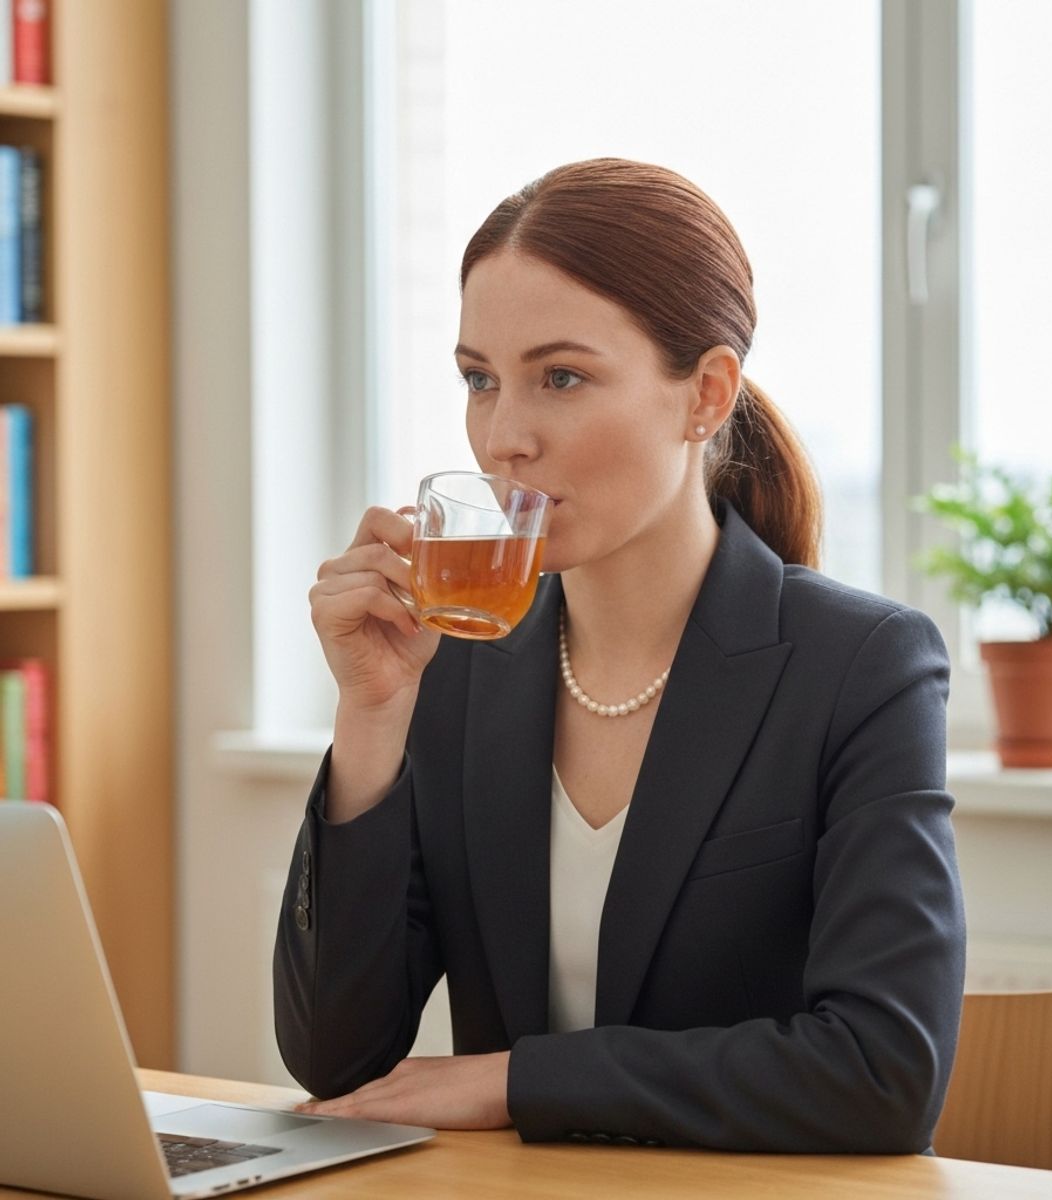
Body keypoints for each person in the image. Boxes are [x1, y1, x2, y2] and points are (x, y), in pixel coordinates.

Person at [274, 157, 966, 1153]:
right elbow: (335, 1058)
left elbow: (882, 1075)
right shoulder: (458, 666)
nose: (504, 435)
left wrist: (519, 1081)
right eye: (479, 379)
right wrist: (371, 718)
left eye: (561, 377)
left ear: (706, 395)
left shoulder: (861, 668)